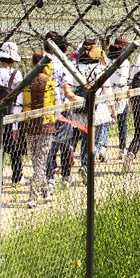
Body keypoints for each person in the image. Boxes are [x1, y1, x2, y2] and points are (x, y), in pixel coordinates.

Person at [14, 51, 56, 207]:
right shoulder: (50, 82)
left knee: (36, 161)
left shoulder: (26, 81)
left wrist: (15, 126)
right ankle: (33, 195)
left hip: (30, 126)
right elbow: (57, 103)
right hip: (46, 126)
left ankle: (45, 192)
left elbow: (18, 106)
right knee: (40, 161)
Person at [73, 40, 116, 185]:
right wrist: (113, 109)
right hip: (98, 108)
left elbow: (72, 88)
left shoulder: (75, 68)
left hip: (81, 107)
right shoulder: (100, 70)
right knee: (97, 139)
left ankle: (85, 164)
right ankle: (87, 165)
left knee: (85, 139)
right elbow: (107, 90)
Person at [0, 42, 25, 186]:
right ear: (13, 59)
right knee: (15, 150)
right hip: (11, 113)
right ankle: (16, 176)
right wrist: (16, 121)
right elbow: (19, 97)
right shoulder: (16, 74)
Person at [44, 32, 78, 188]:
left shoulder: (43, 64)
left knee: (48, 143)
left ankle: (49, 176)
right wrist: (83, 100)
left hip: (46, 109)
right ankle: (66, 175)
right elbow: (68, 92)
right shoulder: (64, 65)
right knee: (64, 143)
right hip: (63, 108)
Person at [107, 37, 131, 159]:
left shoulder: (106, 60)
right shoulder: (124, 62)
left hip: (107, 92)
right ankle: (122, 149)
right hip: (120, 93)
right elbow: (123, 80)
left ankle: (102, 148)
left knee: (105, 123)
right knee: (123, 124)